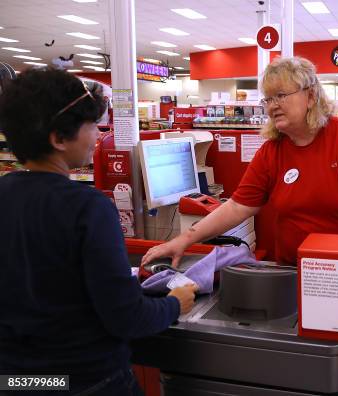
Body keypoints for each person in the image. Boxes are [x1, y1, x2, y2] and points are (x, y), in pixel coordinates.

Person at [0, 68, 197, 395]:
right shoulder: (87, 208)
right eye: (91, 126)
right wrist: (175, 303)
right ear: (58, 138)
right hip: (88, 380)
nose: (97, 135)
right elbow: (125, 317)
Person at [142, 56, 338, 268]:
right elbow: (238, 206)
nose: (272, 106)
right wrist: (184, 240)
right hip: (291, 268)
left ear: (310, 96)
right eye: (268, 99)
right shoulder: (272, 150)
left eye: (280, 95)